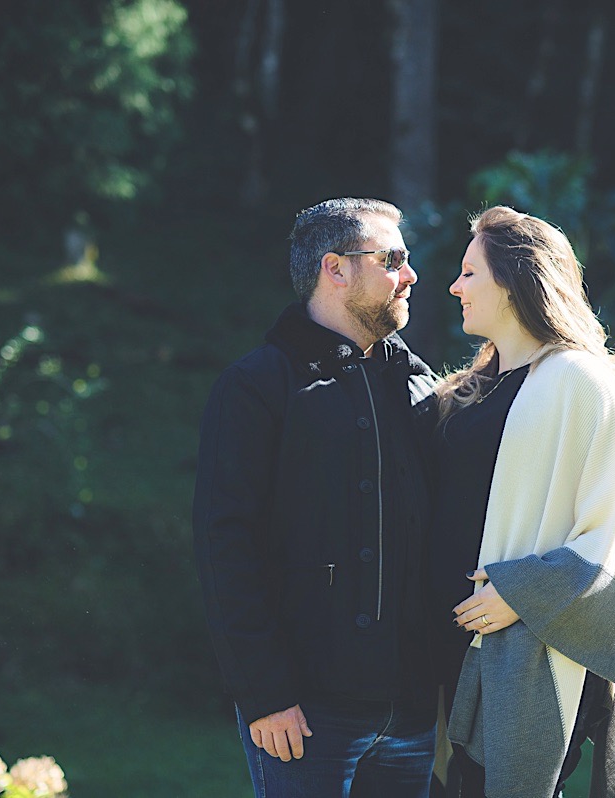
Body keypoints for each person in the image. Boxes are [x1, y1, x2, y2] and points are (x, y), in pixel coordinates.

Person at [192, 198, 440, 798]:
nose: (410, 275)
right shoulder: (255, 386)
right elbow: (225, 547)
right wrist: (264, 695)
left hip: (413, 714)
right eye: (392, 260)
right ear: (336, 269)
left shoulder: (421, 387)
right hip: (303, 717)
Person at [429, 206, 615, 798]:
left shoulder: (582, 383)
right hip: (453, 644)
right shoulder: (472, 389)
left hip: (530, 645)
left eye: (470, 273)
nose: (455, 287)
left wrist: (520, 593)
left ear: (513, 281)